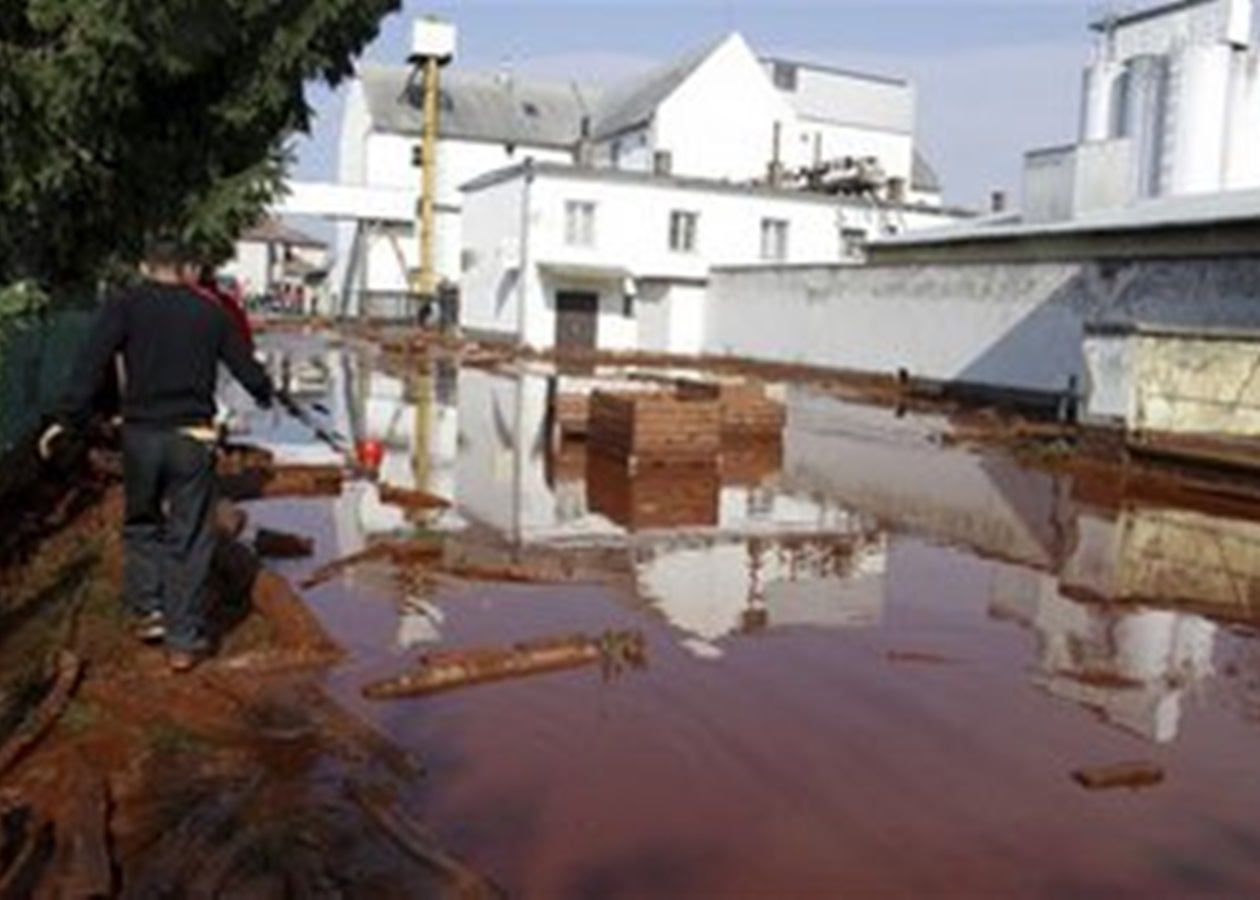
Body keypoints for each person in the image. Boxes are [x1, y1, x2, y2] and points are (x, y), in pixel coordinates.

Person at [39, 240, 278, 672]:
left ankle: (149, 611)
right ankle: (182, 640)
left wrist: (67, 419)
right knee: (188, 534)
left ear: (144, 265)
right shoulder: (211, 311)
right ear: (189, 267)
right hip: (194, 436)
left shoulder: (124, 305)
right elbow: (246, 368)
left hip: (141, 435)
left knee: (143, 520)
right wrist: (265, 393)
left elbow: (89, 364)